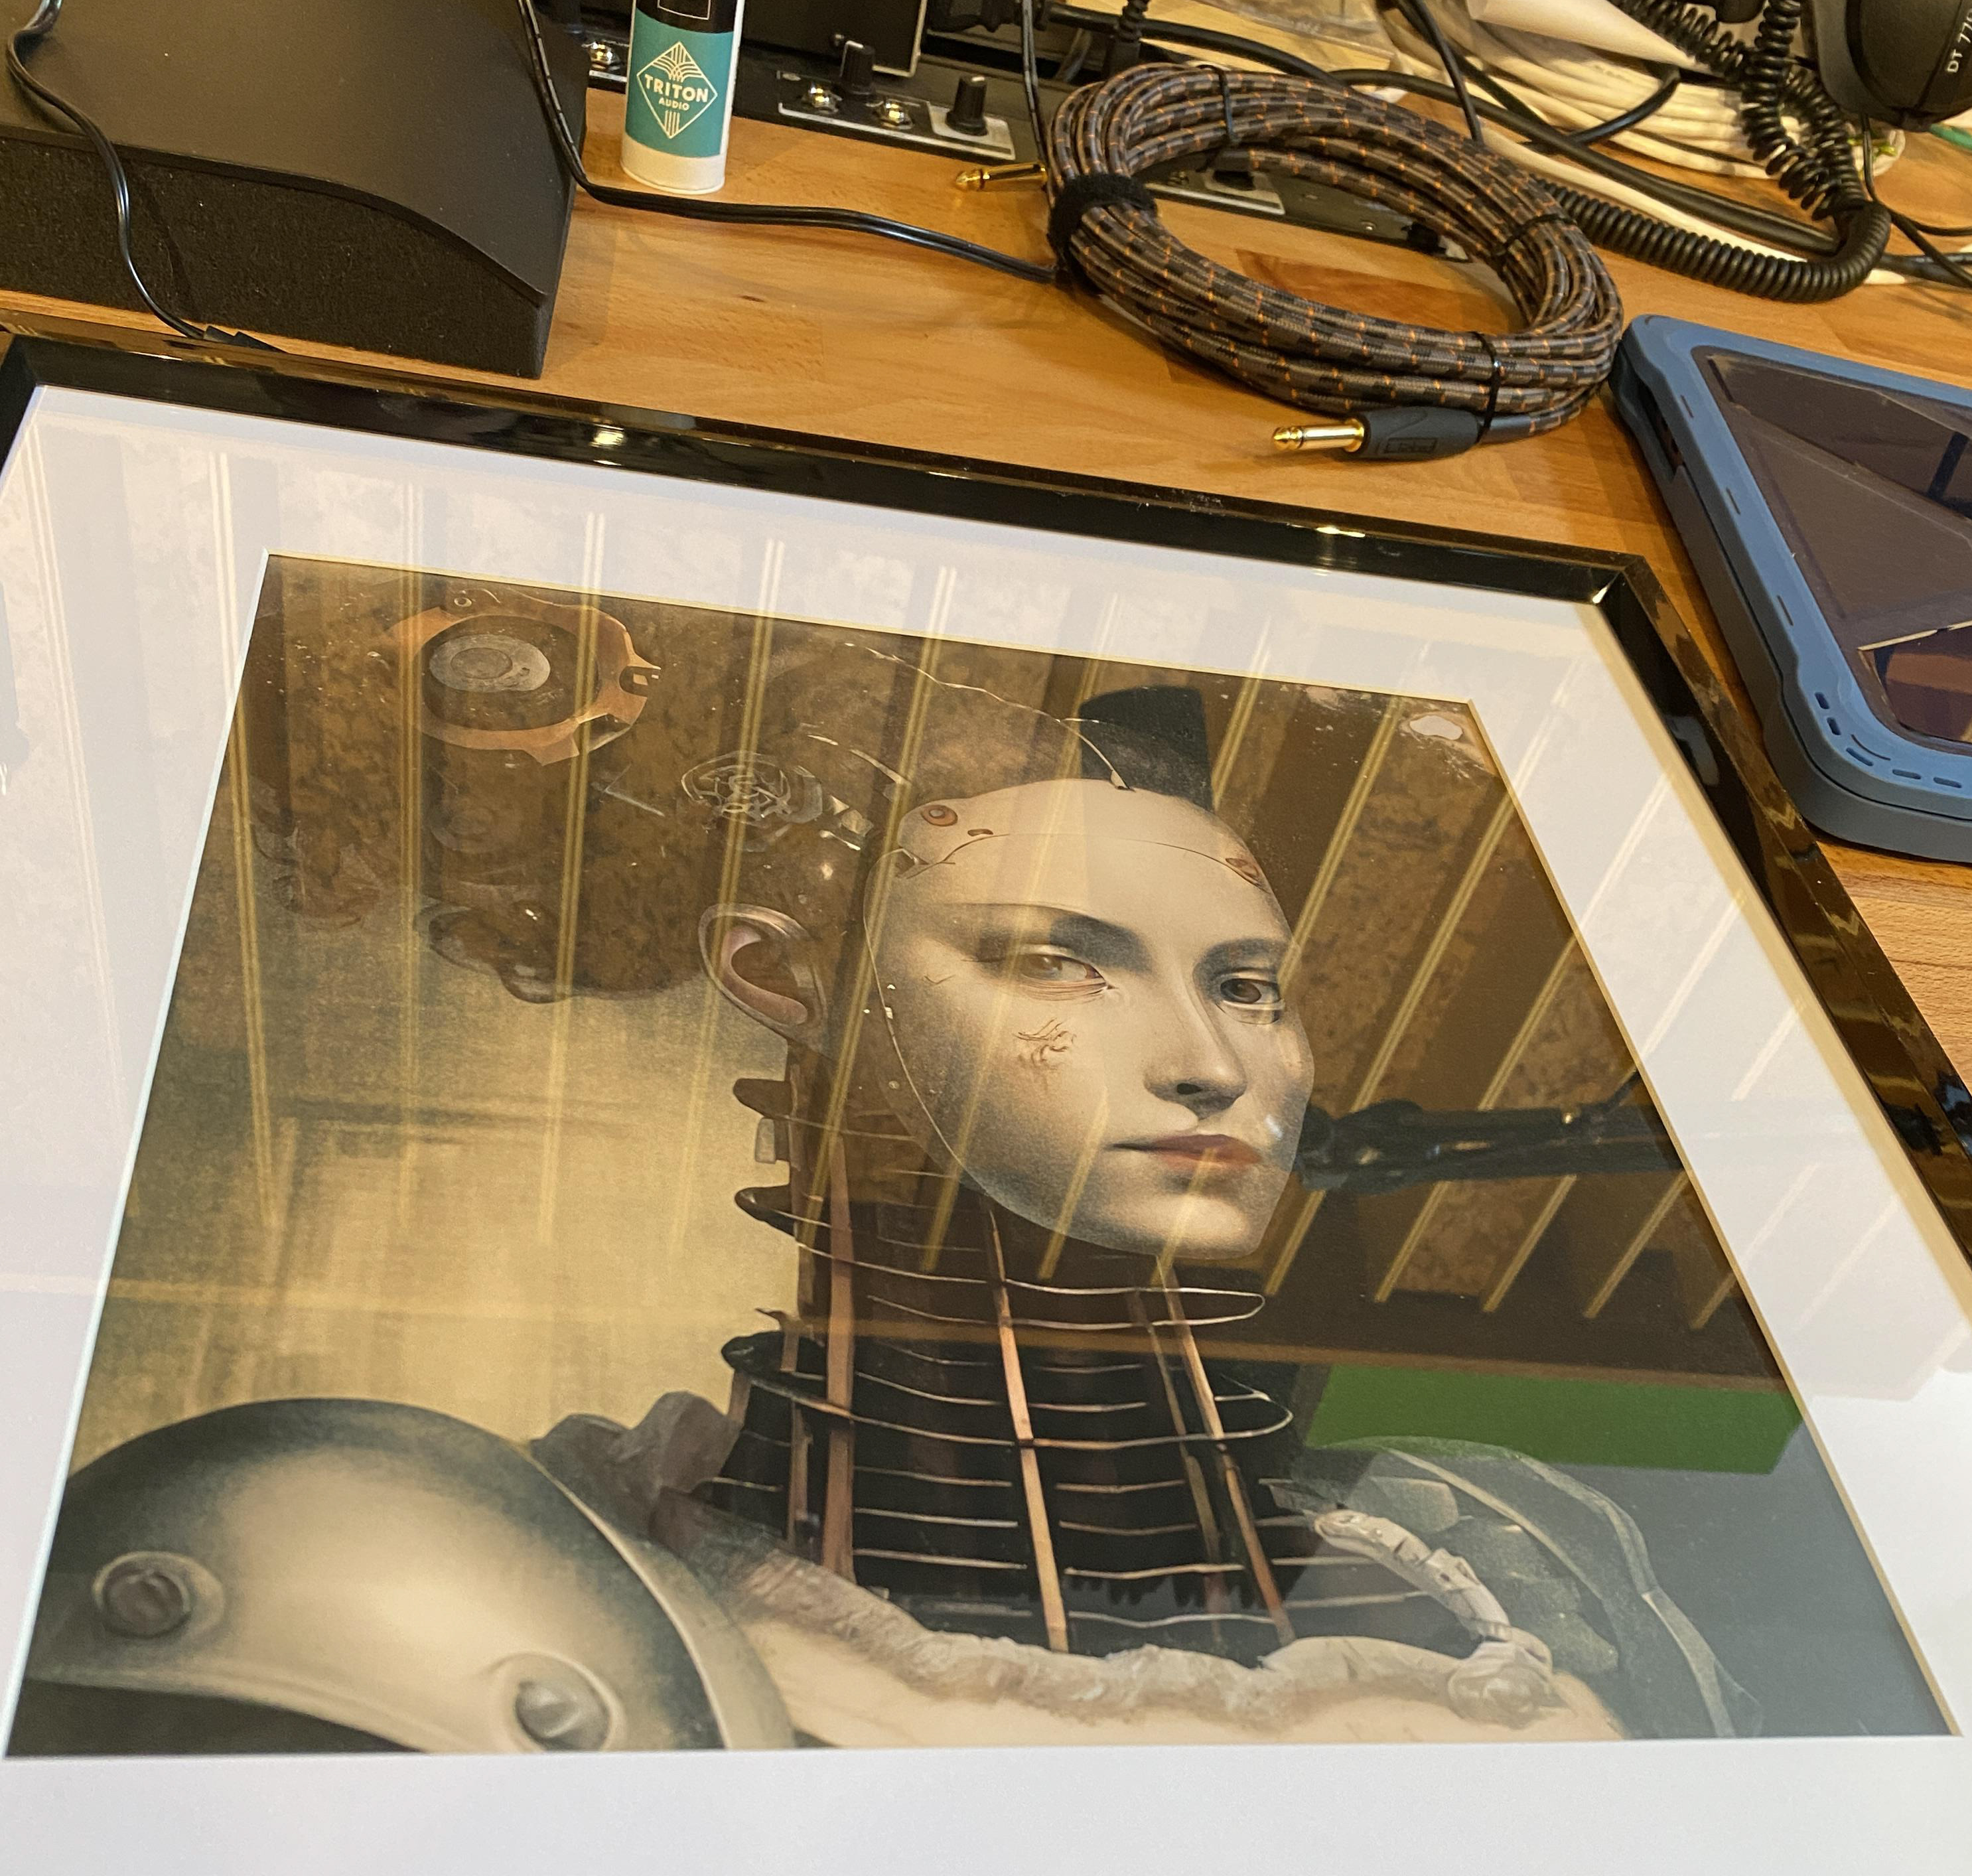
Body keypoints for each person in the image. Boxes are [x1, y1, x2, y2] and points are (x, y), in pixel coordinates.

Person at [14, 675, 1742, 1757]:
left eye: (1249, 986)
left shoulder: (1512, 1535)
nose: (1215, 1063)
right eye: (1056, 960)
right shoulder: (476, 1560)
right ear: (785, 979)